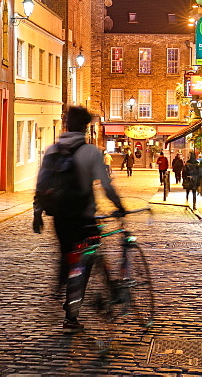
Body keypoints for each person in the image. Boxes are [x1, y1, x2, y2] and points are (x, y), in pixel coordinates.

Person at [33, 106, 126, 332]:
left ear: (66, 124)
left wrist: (37, 213)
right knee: (90, 259)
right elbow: (106, 186)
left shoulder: (52, 151)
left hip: (60, 218)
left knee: (68, 256)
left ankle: (63, 286)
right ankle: (75, 311)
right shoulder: (92, 152)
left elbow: (42, 184)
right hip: (84, 218)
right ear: (86, 127)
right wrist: (119, 207)